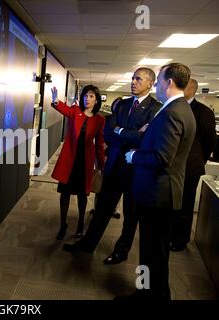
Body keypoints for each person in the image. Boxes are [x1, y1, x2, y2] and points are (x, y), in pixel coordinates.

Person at [64, 68, 161, 264]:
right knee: (102, 210)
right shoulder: (123, 104)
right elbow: (108, 133)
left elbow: (145, 139)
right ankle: (87, 244)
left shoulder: (156, 109)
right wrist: (129, 133)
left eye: (138, 79)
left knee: (130, 216)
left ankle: (121, 252)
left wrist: (120, 131)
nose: (133, 81)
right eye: (133, 78)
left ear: (150, 83)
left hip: (136, 170)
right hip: (115, 166)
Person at [120, 63, 196, 300]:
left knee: (152, 252)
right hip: (163, 194)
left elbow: (161, 158)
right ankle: (156, 294)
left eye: (159, 80)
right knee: (156, 253)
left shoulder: (172, 112)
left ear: (169, 82)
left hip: (157, 195)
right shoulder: (182, 109)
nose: (157, 85)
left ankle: (147, 295)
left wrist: (134, 156)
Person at [50, 85, 105, 240]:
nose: (88, 99)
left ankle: (80, 224)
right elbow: (64, 110)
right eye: (86, 96)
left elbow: (100, 143)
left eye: (92, 96)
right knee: (65, 194)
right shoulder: (75, 111)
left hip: (85, 162)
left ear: (96, 100)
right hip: (70, 160)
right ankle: (63, 224)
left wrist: (101, 165)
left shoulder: (100, 120)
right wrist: (55, 100)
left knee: (82, 196)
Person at [170, 79, 216, 251]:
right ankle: (170, 234)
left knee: (185, 204)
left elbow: (209, 141)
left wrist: (199, 160)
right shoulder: (174, 107)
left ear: (193, 90)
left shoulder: (203, 112)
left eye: (184, 86)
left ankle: (180, 240)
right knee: (173, 202)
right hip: (174, 166)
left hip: (190, 166)